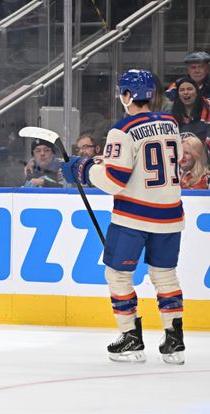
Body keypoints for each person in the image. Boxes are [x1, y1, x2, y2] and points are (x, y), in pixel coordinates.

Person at [61, 69, 186, 365]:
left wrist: (84, 170)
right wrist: (100, 161)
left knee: (118, 275)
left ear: (127, 95)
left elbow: (114, 181)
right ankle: (174, 340)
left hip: (134, 217)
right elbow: (162, 161)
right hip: (170, 215)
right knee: (164, 274)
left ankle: (130, 338)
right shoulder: (170, 122)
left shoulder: (123, 129)